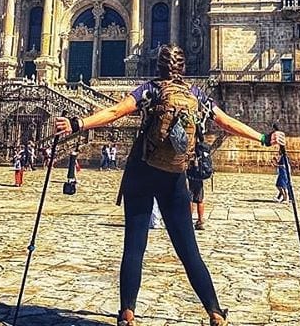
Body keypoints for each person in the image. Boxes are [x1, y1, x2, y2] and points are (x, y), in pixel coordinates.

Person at [55, 44, 285, 326]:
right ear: (183, 68)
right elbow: (225, 122)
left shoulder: (149, 90)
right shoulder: (195, 96)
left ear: (158, 66)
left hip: (141, 171)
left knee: (134, 247)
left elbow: (115, 111)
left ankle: (127, 313)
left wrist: (77, 124)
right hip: (174, 176)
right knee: (189, 250)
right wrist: (264, 138)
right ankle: (214, 311)